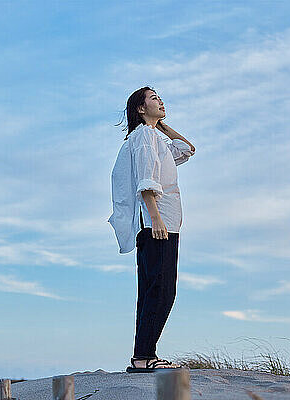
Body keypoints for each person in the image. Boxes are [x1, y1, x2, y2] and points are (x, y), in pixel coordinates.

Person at [108, 86, 195, 372]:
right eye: (154, 98)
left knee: (151, 291)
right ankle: (144, 357)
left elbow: (187, 149)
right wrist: (156, 218)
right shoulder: (145, 137)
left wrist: (163, 126)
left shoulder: (151, 136)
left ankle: (143, 355)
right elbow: (146, 179)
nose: (161, 100)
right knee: (161, 290)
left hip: (161, 222)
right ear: (140, 108)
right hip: (158, 222)